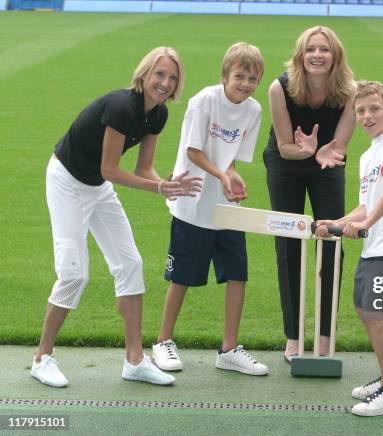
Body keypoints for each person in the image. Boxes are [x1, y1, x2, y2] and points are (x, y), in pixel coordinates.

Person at [32, 47, 202, 388]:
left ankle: (135, 360)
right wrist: (158, 189)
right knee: (73, 274)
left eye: (172, 77)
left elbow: (143, 168)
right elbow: (110, 169)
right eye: (159, 74)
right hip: (66, 180)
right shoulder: (121, 106)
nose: (165, 83)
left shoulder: (159, 115)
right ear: (144, 74)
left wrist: (164, 184)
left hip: (96, 186)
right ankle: (42, 358)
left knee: (130, 264)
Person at [152, 43, 269, 376]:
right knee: (182, 277)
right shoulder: (205, 100)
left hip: (225, 206)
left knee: (237, 274)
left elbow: (230, 156)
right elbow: (193, 151)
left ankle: (229, 349)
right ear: (224, 75)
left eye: (252, 78)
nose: (245, 84)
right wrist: (221, 174)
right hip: (192, 202)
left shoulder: (254, 110)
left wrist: (232, 176)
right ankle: (163, 341)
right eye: (239, 76)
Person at [316, 80, 383, 416]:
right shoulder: (365, 156)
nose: (367, 115)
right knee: (365, 310)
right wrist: (336, 222)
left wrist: (366, 224)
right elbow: (364, 207)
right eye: (360, 111)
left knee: (374, 312)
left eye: (374, 109)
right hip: (375, 245)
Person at [263, 26, 355, 361]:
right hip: (287, 162)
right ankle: (293, 336)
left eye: (325, 49)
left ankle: (325, 334)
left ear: (336, 56)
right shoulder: (280, 88)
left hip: (326, 164)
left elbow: (340, 148)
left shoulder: (349, 92)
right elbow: (286, 147)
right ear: (301, 55)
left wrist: (322, 154)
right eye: (311, 49)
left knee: (332, 240)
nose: (317, 55)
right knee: (289, 242)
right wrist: (307, 151)